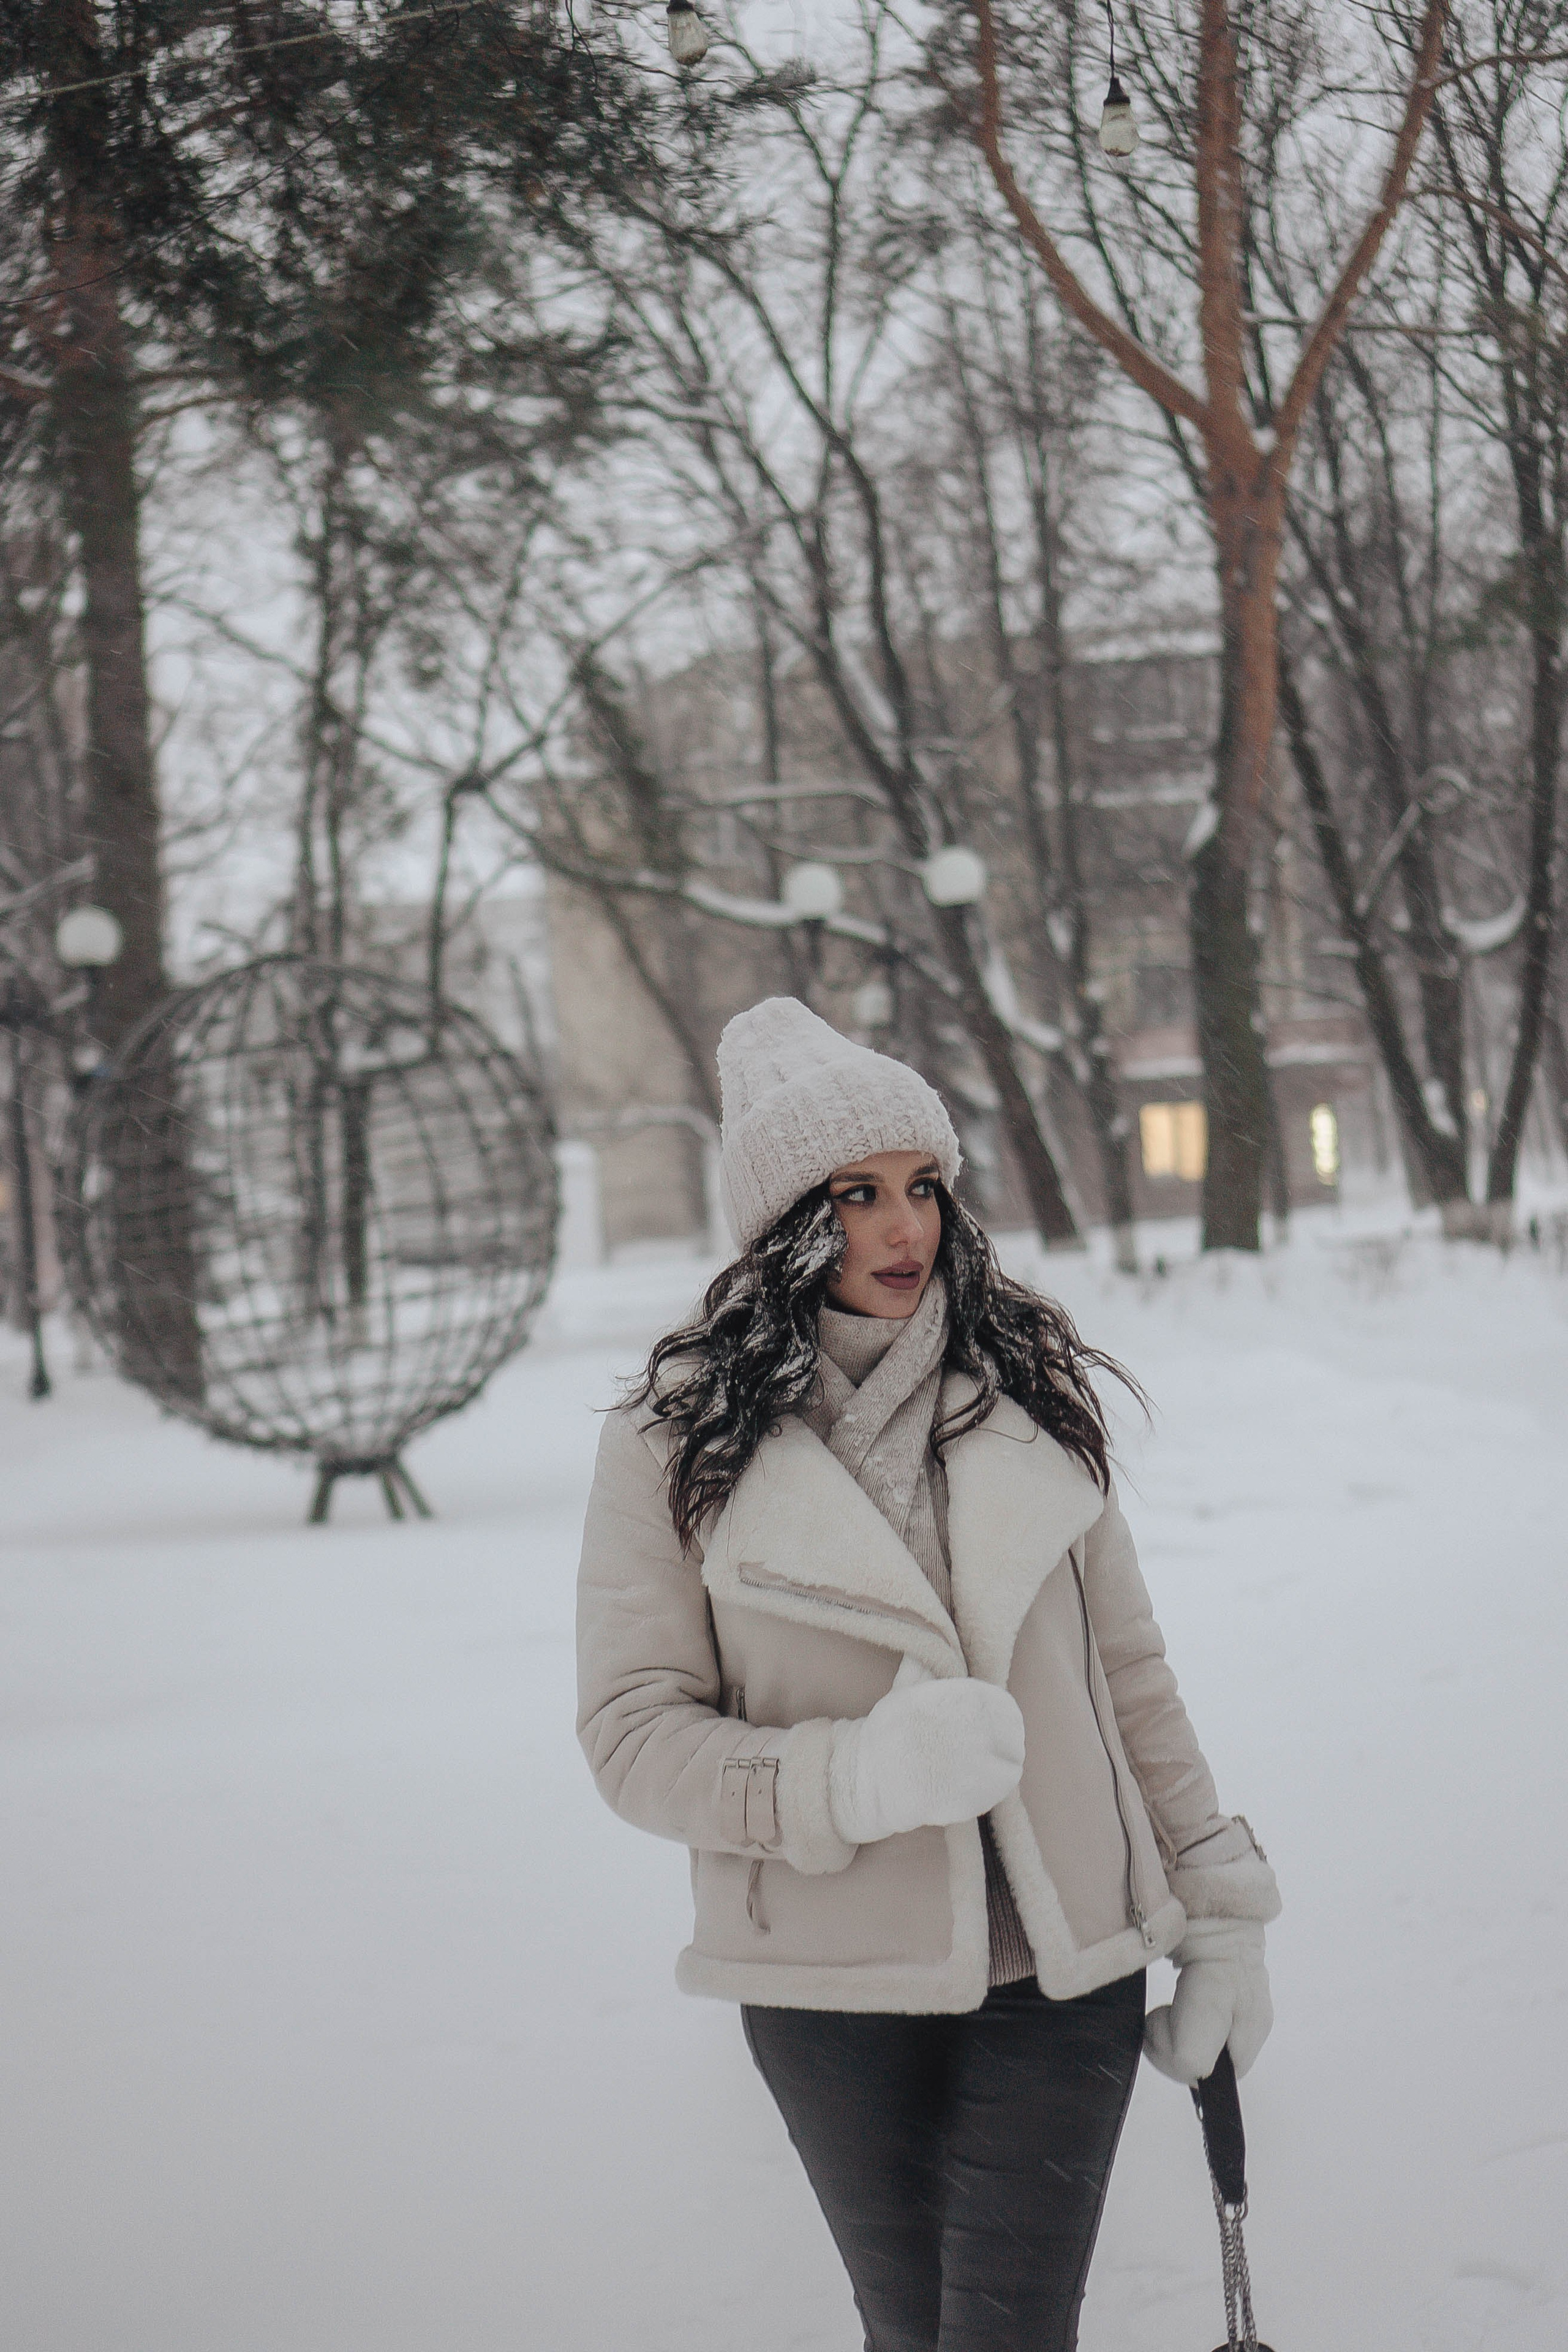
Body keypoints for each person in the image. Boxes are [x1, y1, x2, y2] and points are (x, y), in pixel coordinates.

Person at [576, 998, 1280, 2352]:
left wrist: (1220, 1909)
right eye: (855, 1195)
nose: (904, 1230)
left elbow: (1127, 1680)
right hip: (831, 1989)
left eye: (922, 1189)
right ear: (786, 1220)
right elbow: (631, 1734)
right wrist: (849, 1777)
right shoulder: (675, 1443)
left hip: (1068, 1968)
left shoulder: (1022, 1397)